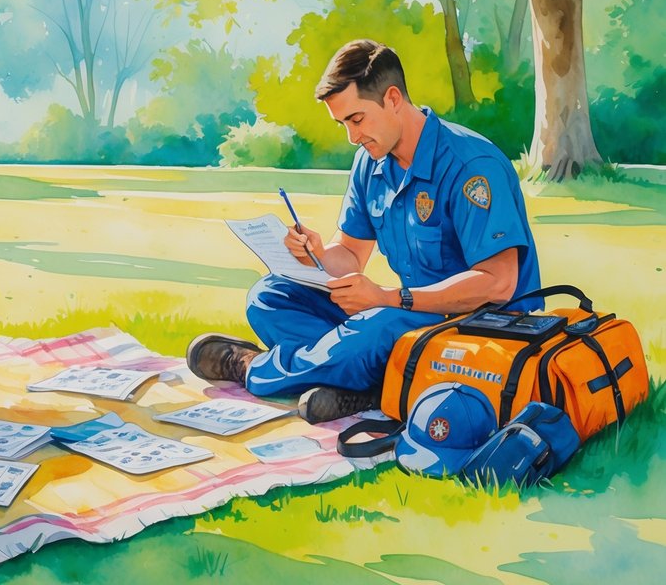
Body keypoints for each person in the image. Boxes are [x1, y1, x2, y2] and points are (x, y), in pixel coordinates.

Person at [186, 39, 540, 422]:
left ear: (392, 99)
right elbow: (351, 256)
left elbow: (498, 283)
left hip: (478, 328)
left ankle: (252, 367)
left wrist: (390, 298)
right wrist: (317, 254)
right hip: (409, 313)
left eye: (356, 119)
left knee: (373, 329)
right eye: (343, 125)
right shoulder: (370, 163)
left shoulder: (471, 164)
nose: (352, 137)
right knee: (268, 297)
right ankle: (369, 387)